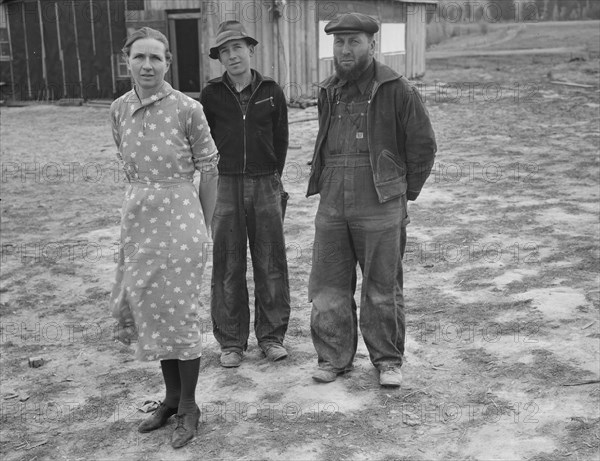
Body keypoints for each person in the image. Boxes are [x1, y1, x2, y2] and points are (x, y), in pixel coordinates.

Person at [306, 13, 437, 387]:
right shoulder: (328, 89)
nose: (345, 50)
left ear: (371, 45)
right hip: (332, 202)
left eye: (354, 42)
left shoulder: (397, 89)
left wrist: (402, 193)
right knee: (328, 286)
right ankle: (333, 358)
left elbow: (423, 146)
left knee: (382, 287)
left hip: (380, 202)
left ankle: (387, 360)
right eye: (339, 42)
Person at [109, 27, 218, 448]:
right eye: (140, 57)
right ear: (128, 61)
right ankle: (171, 398)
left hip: (181, 220)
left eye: (156, 58)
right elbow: (127, 160)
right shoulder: (118, 109)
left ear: (168, 63)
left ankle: (190, 405)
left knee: (181, 310)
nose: (148, 65)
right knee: (153, 308)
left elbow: (209, 169)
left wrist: (203, 225)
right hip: (138, 222)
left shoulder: (188, 109)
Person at [200, 21, 290, 368]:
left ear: (250, 50)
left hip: (265, 182)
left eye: (238, 48)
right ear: (219, 57)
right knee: (227, 263)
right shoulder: (210, 94)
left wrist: (271, 177)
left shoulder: (272, 90)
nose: (233, 55)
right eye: (225, 51)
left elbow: (280, 139)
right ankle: (232, 342)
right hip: (225, 185)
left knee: (270, 261)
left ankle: (271, 337)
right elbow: (204, 142)